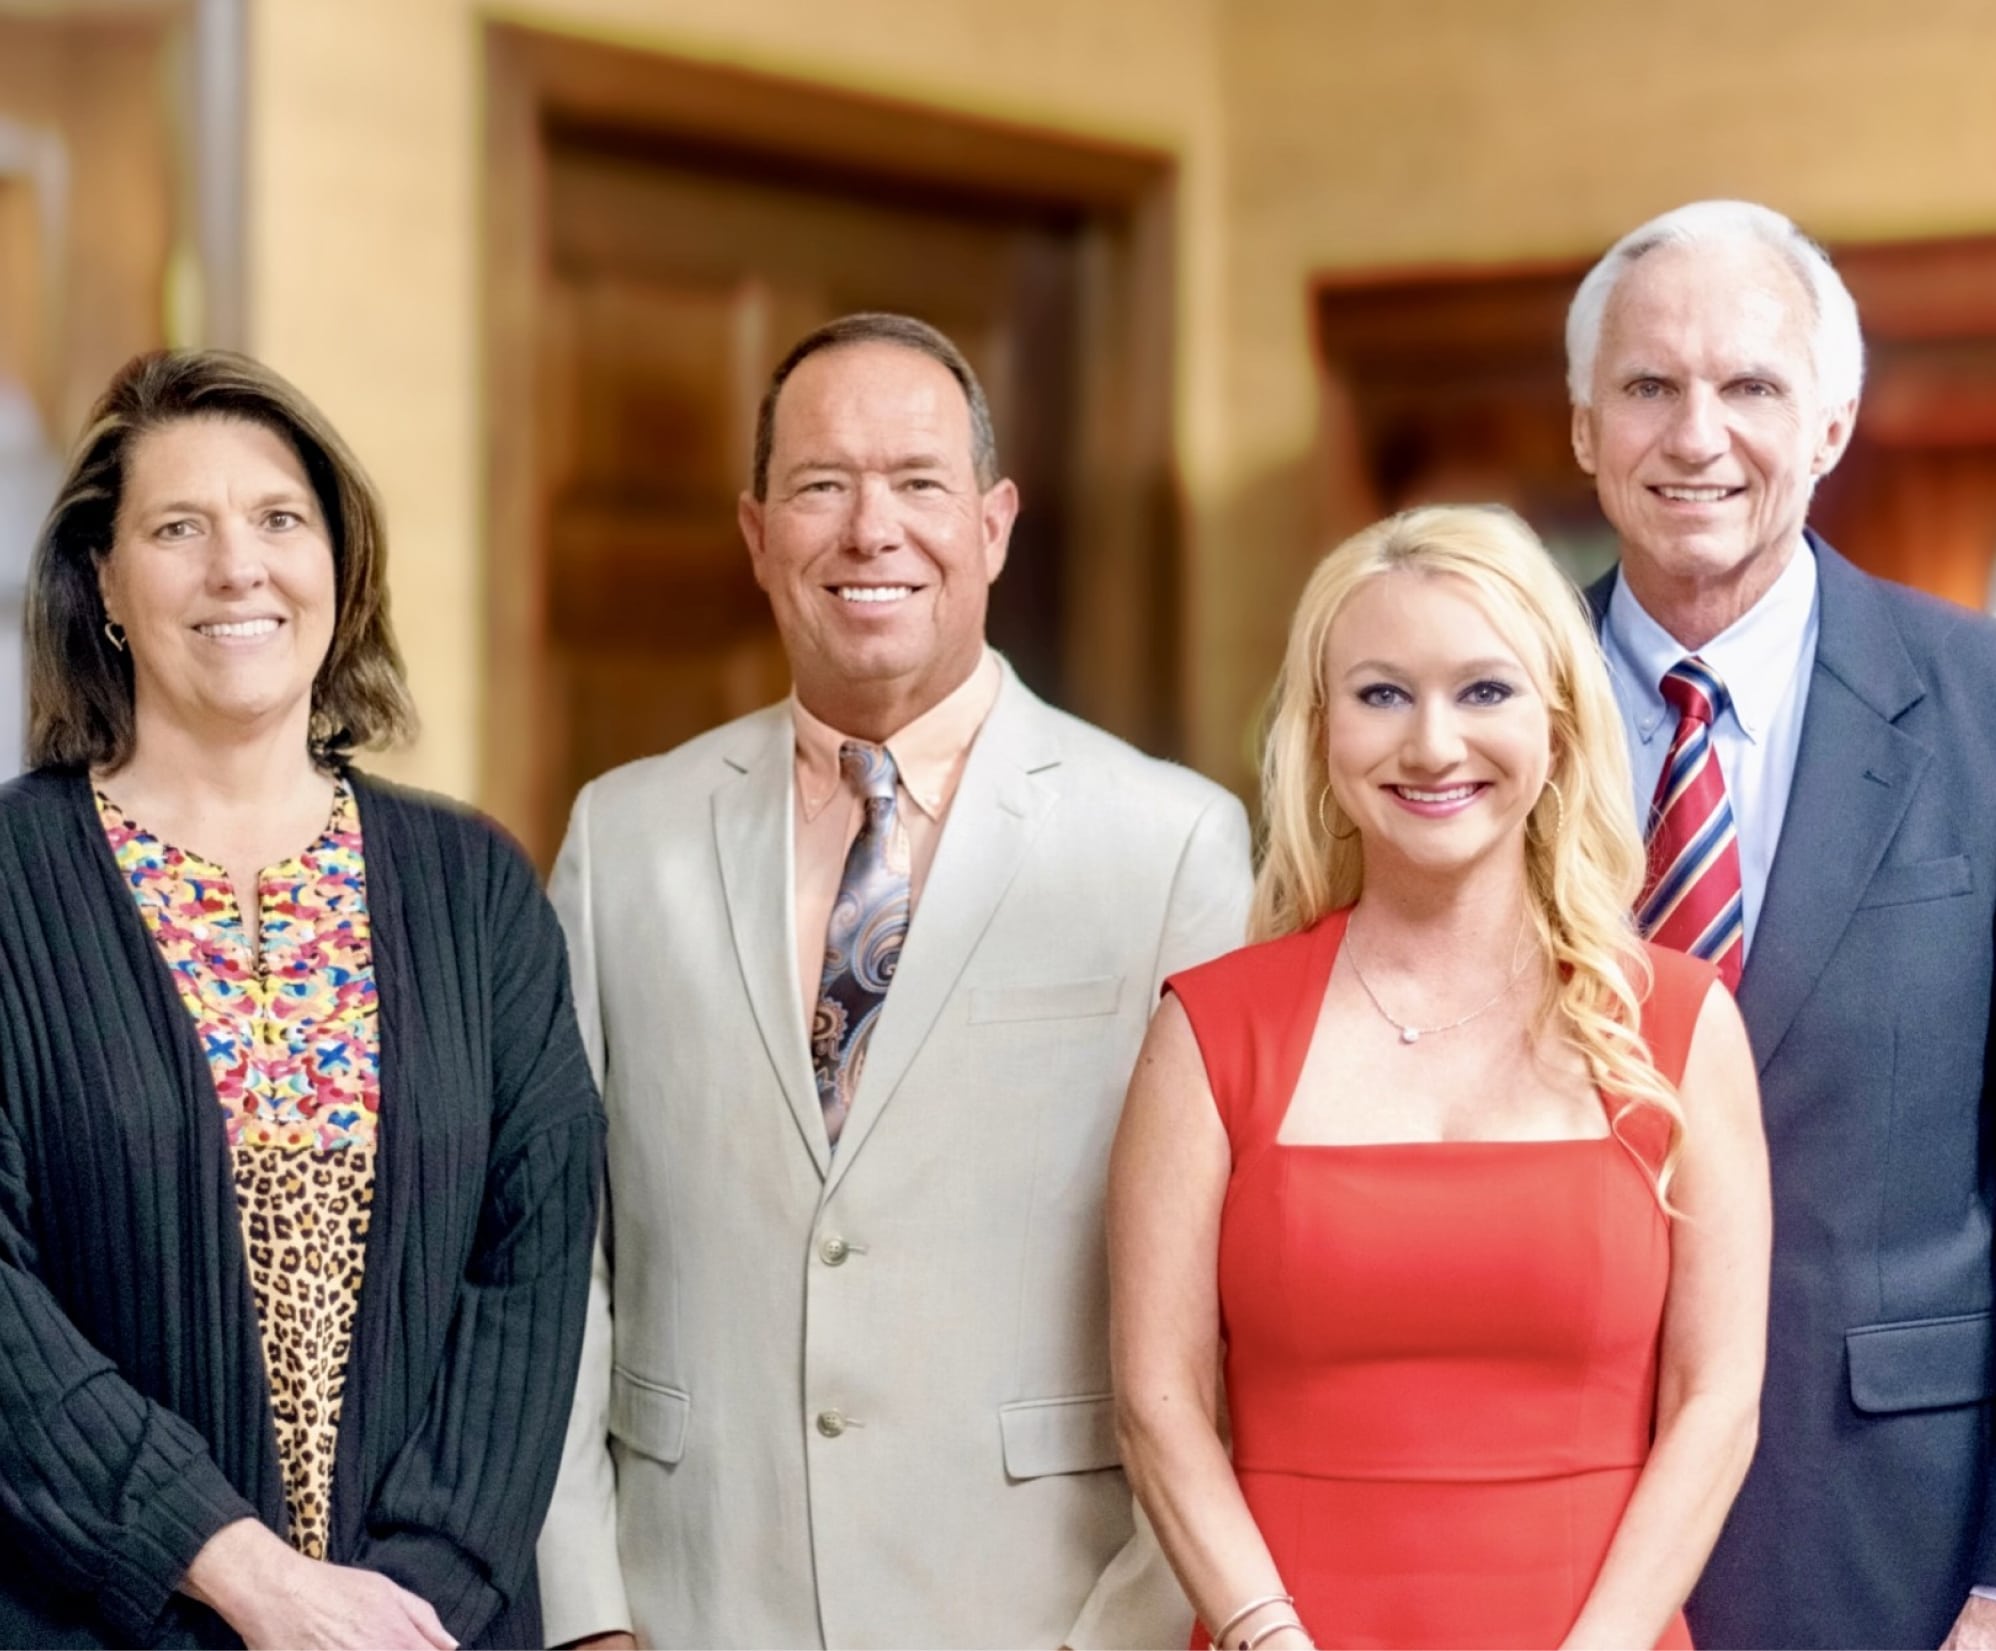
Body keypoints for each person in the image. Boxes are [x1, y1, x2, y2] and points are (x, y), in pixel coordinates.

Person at [535, 312, 1253, 1649]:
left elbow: (1223, 1296)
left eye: (919, 483)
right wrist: (588, 1611)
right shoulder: (621, 836)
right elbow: (557, 1253)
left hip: (1041, 1606)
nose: (872, 530)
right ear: (758, 534)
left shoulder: (1171, 846)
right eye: (822, 484)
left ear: (993, 523)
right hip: (692, 1601)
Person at [0, 350, 604, 1649]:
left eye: (280, 519)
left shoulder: (479, 887)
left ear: (339, 563)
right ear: (103, 581)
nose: (239, 566)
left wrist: (403, 1600)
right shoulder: (13, 883)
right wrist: (244, 1575)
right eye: (178, 527)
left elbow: (534, 1264)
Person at [1110, 503, 1770, 1650]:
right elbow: (1157, 1405)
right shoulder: (1208, 1032)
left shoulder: (1678, 1025)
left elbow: (1716, 1404)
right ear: (1319, 732)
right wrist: (1270, 1637)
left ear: (1559, 725)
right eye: (1379, 694)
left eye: (1483, 691)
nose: (1430, 745)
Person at [1566, 198, 1996, 1651]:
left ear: (1832, 421)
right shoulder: (1474, 711)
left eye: (1750, 385)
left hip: (1893, 1541)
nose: (1697, 435)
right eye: (1648, 386)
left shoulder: (1984, 707)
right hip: (1544, 1523)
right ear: (1583, 428)